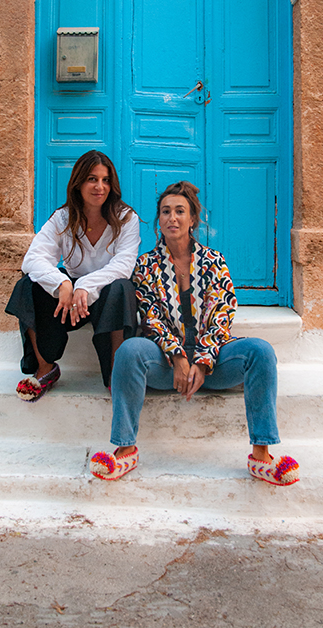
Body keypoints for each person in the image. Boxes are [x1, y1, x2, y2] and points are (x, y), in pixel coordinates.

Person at [90, 181, 299, 486]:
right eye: (165, 212)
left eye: (179, 211)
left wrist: (202, 361)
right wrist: (177, 357)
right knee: (129, 351)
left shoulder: (214, 262)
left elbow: (222, 315)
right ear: (158, 220)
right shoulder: (145, 266)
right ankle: (125, 449)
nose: (171, 218)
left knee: (261, 351)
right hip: (165, 365)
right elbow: (152, 318)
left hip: (214, 365)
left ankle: (261, 455)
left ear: (192, 220)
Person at [6, 150, 140, 400]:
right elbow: (32, 259)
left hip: (106, 296)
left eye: (106, 180)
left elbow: (123, 265)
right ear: (78, 183)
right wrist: (63, 283)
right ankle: (45, 367)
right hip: (69, 302)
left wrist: (85, 286)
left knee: (122, 287)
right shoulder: (62, 218)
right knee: (27, 286)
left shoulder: (126, 218)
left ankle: (115, 372)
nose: (100, 187)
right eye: (92, 179)